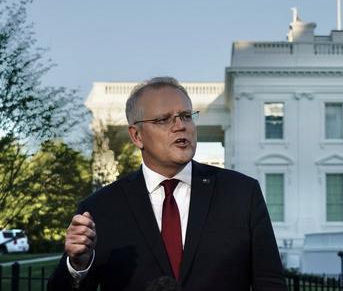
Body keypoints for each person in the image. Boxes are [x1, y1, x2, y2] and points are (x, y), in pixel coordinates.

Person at [48, 77, 287, 291]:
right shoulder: (101, 208)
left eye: (186, 116)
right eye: (164, 119)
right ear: (137, 136)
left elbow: (271, 283)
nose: (180, 125)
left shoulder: (242, 194)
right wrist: (78, 265)